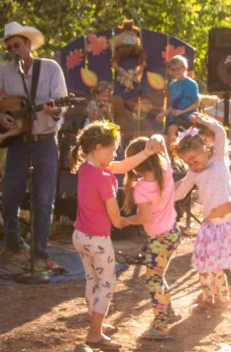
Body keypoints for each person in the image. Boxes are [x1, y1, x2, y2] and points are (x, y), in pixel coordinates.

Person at [0, 21, 67, 269]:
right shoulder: (5, 72)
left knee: (43, 200)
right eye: (10, 47)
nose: (14, 50)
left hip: (45, 142)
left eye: (17, 45)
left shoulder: (50, 69)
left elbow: (62, 106)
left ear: (28, 44)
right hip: (17, 142)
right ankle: (13, 243)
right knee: (9, 197)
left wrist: (55, 110)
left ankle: (40, 253)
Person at [70, 121, 163, 351]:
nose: (115, 154)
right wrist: (126, 222)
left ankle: (97, 322)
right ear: (99, 148)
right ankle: (94, 334)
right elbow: (114, 214)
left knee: (93, 280)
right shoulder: (103, 178)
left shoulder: (87, 167)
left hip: (80, 236)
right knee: (107, 283)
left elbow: (121, 165)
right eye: (112, 149)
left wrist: (146, 152)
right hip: (98, 240)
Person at [174, 113, 231, 311]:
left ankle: (223, 299)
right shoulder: (193, 174)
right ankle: (207, 297)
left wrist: (204, 121)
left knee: (218, 266)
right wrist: (161, 194)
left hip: (226, 224)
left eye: (194, 159)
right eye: (188, 162)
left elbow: (220, 132)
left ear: (206, 149)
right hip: (209, 227)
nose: (192, 164)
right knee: (203, 265)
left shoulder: (219, 160)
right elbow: (179, 194)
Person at [121, 134, 182, 339]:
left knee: (154, 281)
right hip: (173, 233)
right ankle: (169, 313)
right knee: (159, 276)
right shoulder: (165, 173)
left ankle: (160, 326)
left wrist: (127, 220)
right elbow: (161, 143)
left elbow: (144, 217)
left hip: (159, 240)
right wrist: (155, 139)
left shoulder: (141, 188)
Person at [156, 55, 200, 147]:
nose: (175, 71)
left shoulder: (191, 84)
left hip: (189, 117)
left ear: (184, 68)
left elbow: (196, 103)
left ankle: (173, 153)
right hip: (176, 118)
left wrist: (182, 112)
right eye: (172, 69)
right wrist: (163, 114)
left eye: (178, 69)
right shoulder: (172, 85)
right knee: (167, 134)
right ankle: (172, 155)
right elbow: (174, 105)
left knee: (172, 129)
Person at [204, 98, 231, 172]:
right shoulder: (223, 129)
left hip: (228, 172)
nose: (214, 117)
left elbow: (230, 157)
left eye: (217, 116)